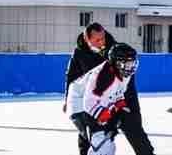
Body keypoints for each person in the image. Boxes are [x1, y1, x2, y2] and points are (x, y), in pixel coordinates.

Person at [64, 23, 155, 155]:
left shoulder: (116, 50)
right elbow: (72, 77)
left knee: (134, 129)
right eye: (97, 40)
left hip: (120, 96)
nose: (102, 42)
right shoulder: (80, 54)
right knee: (94, 136)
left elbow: (125, 79)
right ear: (87, 39)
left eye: (103, 38)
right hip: (90, 99)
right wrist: (67, 100)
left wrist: (122, 103)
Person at [66, 43, 139, 155]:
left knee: (107, 142)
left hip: (94, 102)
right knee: (101, 142)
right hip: (79, 103)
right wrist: (106, 118)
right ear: (117, 63)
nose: (132, 66)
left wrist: (120, 106)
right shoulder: (104, 76)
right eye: (128, 63)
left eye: (133, 62)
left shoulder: (123, 74)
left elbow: (118, 92)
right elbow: (89, 102)